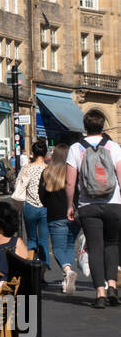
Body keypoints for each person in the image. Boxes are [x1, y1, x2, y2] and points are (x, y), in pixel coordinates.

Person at [65, 109, 121, 307]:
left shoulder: (75, 149)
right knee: (112, 245)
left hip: (88, 206)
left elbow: (70, 183)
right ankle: (113, 286)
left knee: (95, 248)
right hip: (113, 204)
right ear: (103, 126)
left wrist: (70, 205)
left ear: (85, 126)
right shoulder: (114, 147)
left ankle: (100, 294)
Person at [40, 145, 78, 295]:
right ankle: (66, 280)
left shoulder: (48, 172)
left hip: (55, 214)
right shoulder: (74, 171)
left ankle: (67, 272)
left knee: (57, 248)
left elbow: (41, 195)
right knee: (69, 247)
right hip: (74, 214)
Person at [16, 138, 50, 267]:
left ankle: (31, 267)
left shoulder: (27, 168)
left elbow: (18, 185)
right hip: (45, 207)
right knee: (44, 241)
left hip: (30, 206)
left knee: (31, 239)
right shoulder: (48, 168)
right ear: (46, 153)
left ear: (33, 153)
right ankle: (43, 270)